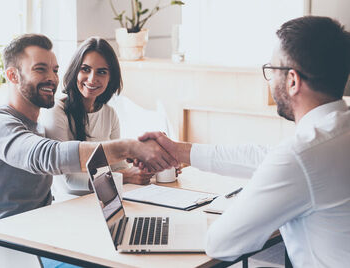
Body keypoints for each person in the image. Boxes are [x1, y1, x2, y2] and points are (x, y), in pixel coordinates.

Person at [138, 16, 350, 267]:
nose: (269, 79)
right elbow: (264, 157)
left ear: (292, 81)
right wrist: (179, 151)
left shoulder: (301, 155)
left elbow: (221, 243)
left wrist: (250, 199)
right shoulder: (333, 133)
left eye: (272, 70)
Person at [0, 33, 177, 227]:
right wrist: (129, 147)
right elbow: (47, 156)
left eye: (55, 70)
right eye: (40, 69)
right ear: (12, 76)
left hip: (45, 226)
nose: (52, 78)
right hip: (7, 241)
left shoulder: (37, 125)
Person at [40, 37, 154, 196]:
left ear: (110, 78)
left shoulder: (109, 114)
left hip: (105, 201)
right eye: (85, 69)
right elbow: (69, 181)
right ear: (75, 70)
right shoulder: (56, 110)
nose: (92, 79)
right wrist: (126, 177)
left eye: (101, 72)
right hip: (69, 206)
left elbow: (117, 167)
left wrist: (145, 169)